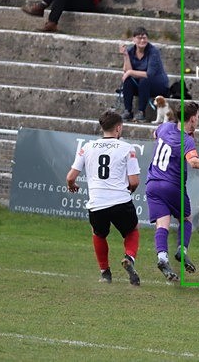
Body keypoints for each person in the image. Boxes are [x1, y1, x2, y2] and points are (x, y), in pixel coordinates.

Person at [146, 101, 199, 281]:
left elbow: (155, 134)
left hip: (153, 184)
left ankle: (162, 257)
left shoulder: (165, 126)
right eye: (197, 118)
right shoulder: (187, 140)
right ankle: (181, 251)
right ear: (192, 119)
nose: (198, 120)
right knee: (186, 219)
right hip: (172, 185)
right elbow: (193, 162)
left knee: (162, 224)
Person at [65, 110, 142, 286]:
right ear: (119, 128)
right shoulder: (127, 148)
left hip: (97, 203)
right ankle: (129, 257)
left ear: (102, 127)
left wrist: (71, 186)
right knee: (132, 230)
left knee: (98, 234)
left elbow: (70, 177)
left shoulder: (87, 147)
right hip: (120, 201)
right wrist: (129, 191)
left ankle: (105, 273)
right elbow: (134, 181)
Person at [119, 26, 170, 122]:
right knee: (128, 81)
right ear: (134, 39)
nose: (142, 41)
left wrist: (130, 72)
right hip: (140, 85)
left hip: (157, 85)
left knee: (144, 80)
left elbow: (149, 74)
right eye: (139, 38)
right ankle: (128, 111)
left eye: (144, 38)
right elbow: (127, 70)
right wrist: (125, 56)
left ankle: (141, 111)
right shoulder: (130, 50)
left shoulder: (153, 52)